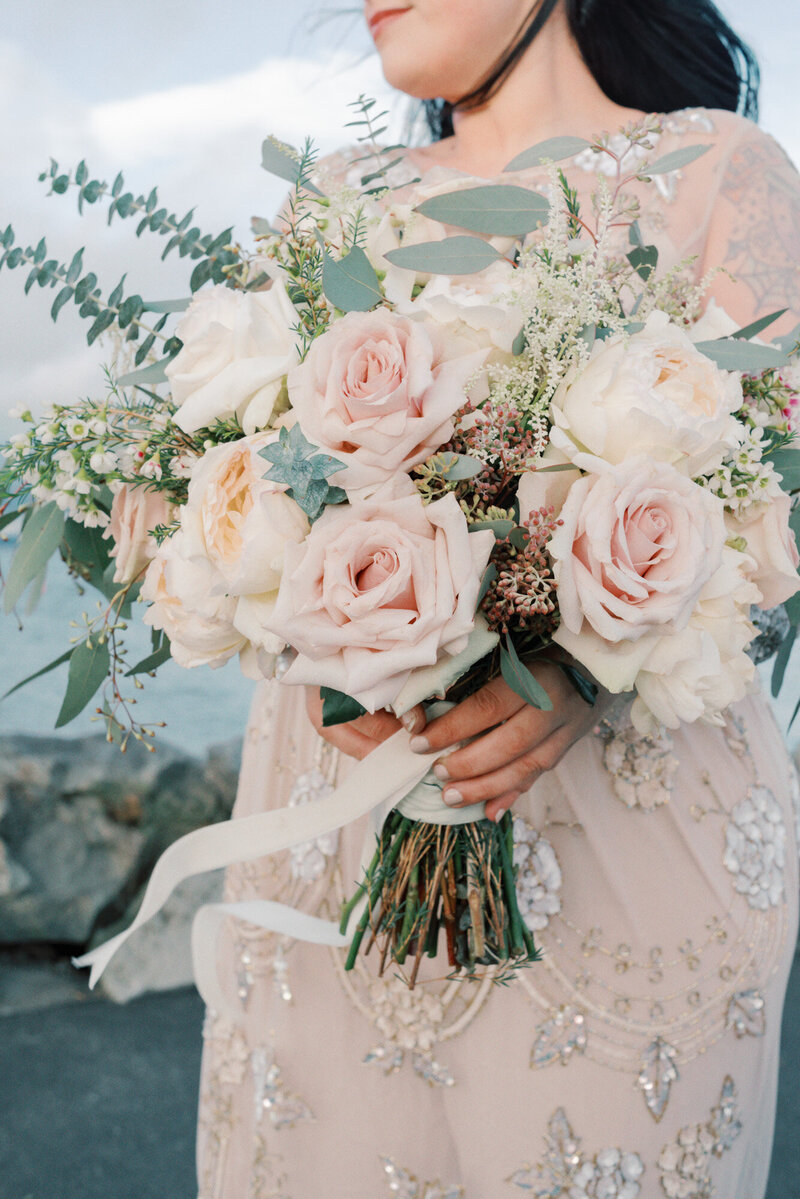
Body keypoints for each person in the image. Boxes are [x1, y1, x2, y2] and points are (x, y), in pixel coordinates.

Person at [196, 2, 800, 1196]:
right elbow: (213, 483)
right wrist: (295, 627)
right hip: (335, 861)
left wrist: (587, 653)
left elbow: (775, 504)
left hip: (631, 868)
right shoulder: (332, 196)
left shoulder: (718, 169)